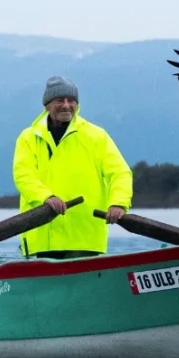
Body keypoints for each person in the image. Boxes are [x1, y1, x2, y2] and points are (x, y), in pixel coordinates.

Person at [12, 76, 133, 259]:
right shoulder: (28, 137)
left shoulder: (96, 136)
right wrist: (46, 197)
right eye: (60, 100)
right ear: (47, 105)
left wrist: (118, 203)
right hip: (41, 235)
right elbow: (23, 175)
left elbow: (120, 173)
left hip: (84, 236)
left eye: (71, 101)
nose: (66, 105)